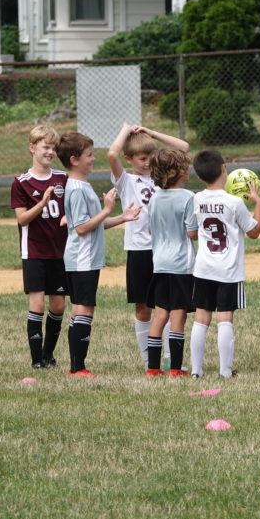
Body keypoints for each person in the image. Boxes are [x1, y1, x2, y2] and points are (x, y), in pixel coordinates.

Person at [58, 131, 141, 377]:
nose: (93, 159)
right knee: (84, 309)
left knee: (80, 309)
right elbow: (82, 228)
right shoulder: (77, 189)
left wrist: (121, 217)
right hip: (82, 259)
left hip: (83, 258)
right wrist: (106, 209)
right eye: (89, 155)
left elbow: (93, 224)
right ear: (74, 160)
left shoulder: (80, 185)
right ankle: (77, 367)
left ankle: (76, 365)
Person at [107, 123, 190, 368]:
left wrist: (151, 134)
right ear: (129, 158)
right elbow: (111, 155)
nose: (147, 163)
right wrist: (124, 130)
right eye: (142, 158)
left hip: (163, 251)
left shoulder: (161, 178)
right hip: (139, 250)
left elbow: (184, 148)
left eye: (150, 158)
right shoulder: (126, 181)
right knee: (143, 308)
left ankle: (166, 360)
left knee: (166, 306)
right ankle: (147, 360)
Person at [189, 149, 260, 378]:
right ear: (224, 168)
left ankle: (196, 370)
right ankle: (225, 371)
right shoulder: (234, 203)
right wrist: (258, 203)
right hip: (228, 271)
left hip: (203, 268)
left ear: (199, 177)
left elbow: (192, 231)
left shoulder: (196, 199)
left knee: (201, 319)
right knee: (225, 319)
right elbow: (254, 232)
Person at [11, 124, 68, 370]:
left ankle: (48, 354)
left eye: (53, 148)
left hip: (60, 251)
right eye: (46, 147)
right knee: (36, 304)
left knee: (58, 305)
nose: (50, 152)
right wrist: (42, 202)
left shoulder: (62, 179)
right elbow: (22, 219)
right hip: (34, 251)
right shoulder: (21, 182)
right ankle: (36, 360)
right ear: (32, 148)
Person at [144, 148, 198, 378]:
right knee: (178, 314)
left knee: (160, 314)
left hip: (159, 262)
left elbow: (151, 228)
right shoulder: (188, 197)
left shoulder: (154, 198)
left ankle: (153, 368)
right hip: (180, 264)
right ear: (176, 171)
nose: (189, 170)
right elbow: (192, 233)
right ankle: (176, 368)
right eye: (185, 166)